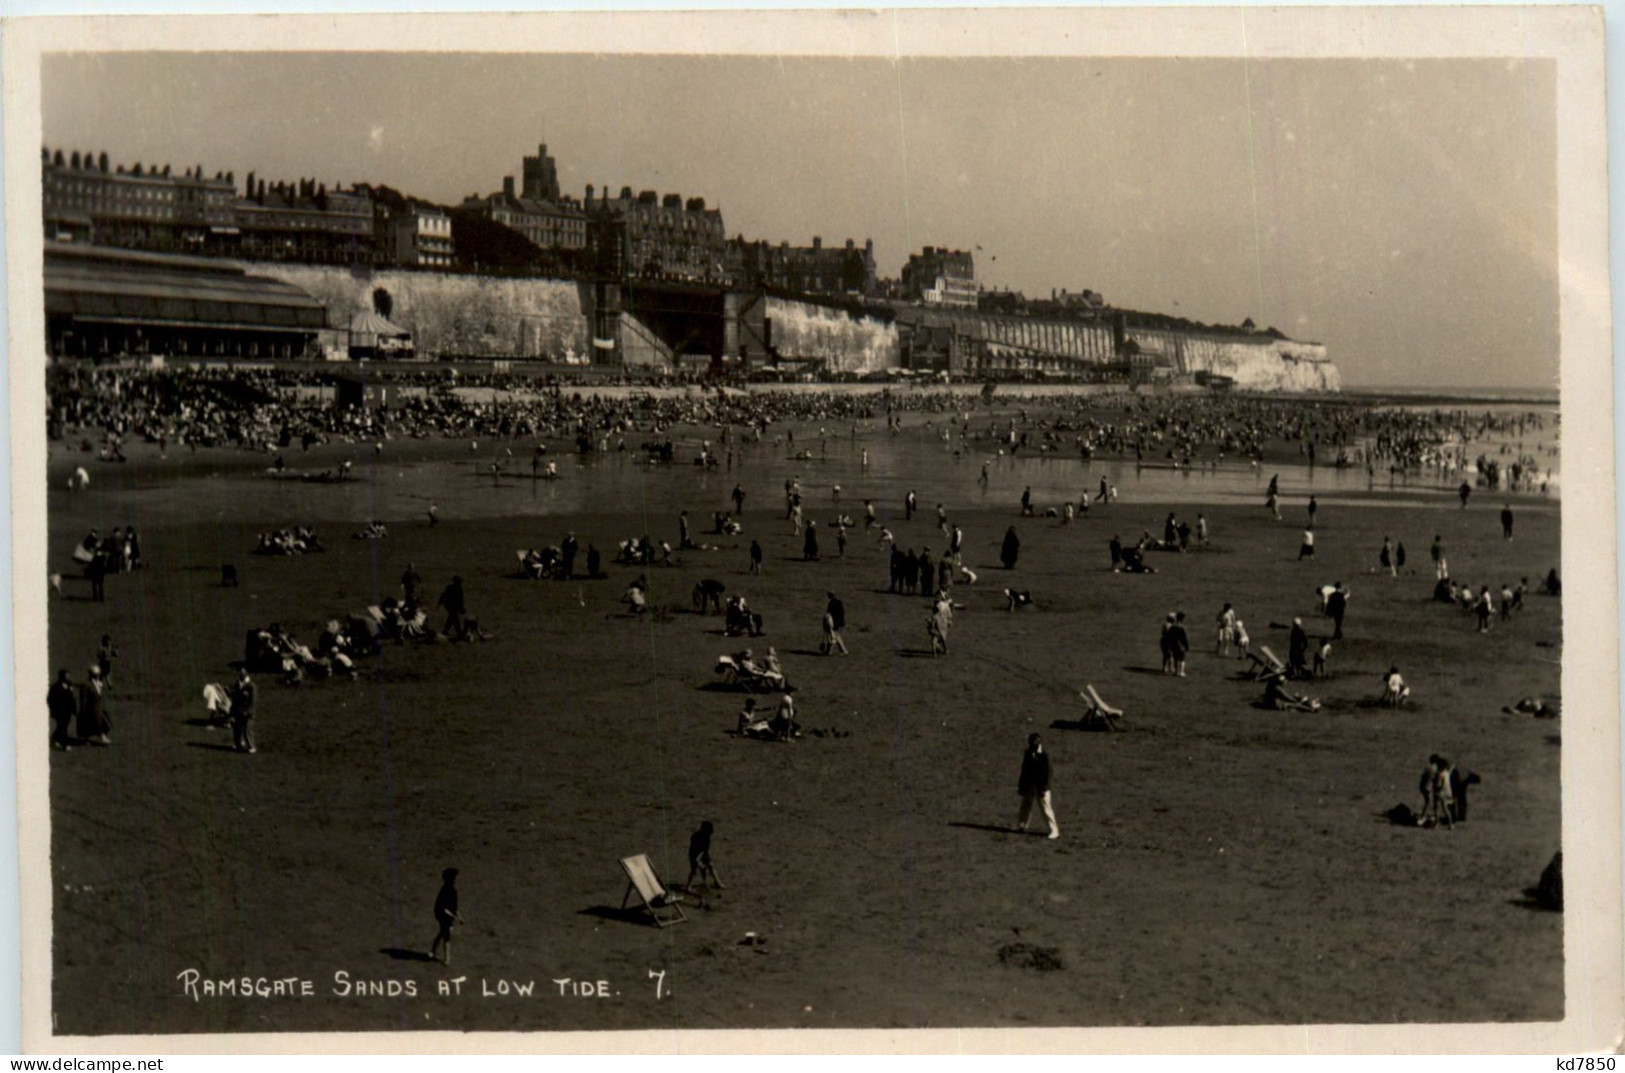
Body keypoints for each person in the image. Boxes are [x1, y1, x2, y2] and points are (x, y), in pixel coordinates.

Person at [1016, 734, 1059, 839]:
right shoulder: (1028, 753)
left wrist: (1044, 788)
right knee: (1025, 806)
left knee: (1046, 808)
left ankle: (1054, 830)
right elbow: (1024, 770)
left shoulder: (1044, 755)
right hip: (1030, 785)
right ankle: (1022, 825)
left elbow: (1047, 773)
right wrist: (1022, 785)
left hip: (1041, 786)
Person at [429, 868, 462, 964]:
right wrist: (456, 917)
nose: (457, 878)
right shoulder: (447, 890)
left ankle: (433, 950)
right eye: (455, 877)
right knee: (447, 936)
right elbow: (444, 908)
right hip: (443, 915)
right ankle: (447, 958)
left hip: (447, 915)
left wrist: (459, 916)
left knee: (442, 934)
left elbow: (453, 907)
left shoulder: (451, 889)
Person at [686, 821, 723, 900]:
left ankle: (717, 882)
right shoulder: (695, 836)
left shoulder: (707, 837)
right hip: (694, 854)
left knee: (710, 866)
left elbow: (704, 850)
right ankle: (688, 886)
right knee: (694, 870)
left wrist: (702, 861)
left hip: (703, 853)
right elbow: (693, 849)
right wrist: (698, 861)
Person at [78, 665, 111, 746]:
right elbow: (84, 698)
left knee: (101, 722)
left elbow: (100, 696)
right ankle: (88, 739)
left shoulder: (99, 684)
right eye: (95, 674)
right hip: (90, 708)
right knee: (89, 723)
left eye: (98, 674)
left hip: (99, 707)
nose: (97, 676)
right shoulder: (86, 684)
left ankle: (103, 737)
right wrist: (83, 708)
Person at [48, 669, 77, 750]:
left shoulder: (69, 684)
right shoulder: (56, 687)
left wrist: (73, 709)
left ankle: (55, 739)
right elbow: (51, 699)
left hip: (67, 710)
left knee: (63, 726)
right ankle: (64, 744)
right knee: (63, 727)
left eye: (68, 675)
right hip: (59, 711)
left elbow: (71, 697)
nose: (68, 677)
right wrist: (54, 710)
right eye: (66, 675)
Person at [229, 668, 256, 754]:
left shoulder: (251, 686)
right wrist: (232, 711)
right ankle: (238, 743)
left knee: (247, 729)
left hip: (248, 713)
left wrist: (248, 711)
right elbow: (235, 699)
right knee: (237, 728)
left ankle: (251, 746)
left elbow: (253, 701)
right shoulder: (237, 684)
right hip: (239, 710)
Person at [1167, 612, 1190, 676]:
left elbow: (1170, 636)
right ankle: (1181, 671)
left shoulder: (1173, 627)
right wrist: (1186, 645)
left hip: (1174, 644)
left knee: (1176, 658)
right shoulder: (1181, 627)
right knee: (1182, 658)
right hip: (1181, 645)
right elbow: (1184, 638)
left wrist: (1170, 644)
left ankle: (1176, 671)